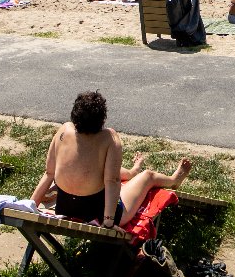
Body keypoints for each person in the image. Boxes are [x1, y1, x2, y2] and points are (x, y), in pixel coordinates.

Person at [29, 90, 192, 227]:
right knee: (148, 176)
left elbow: (49, 173)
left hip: (65, 208)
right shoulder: (109, 137)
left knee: (99, 168)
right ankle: (172, 180)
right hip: (98, 214)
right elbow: (112, 181)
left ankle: (132, 172)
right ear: (102, 118)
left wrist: (31, 205)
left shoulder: (63, 131)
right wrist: (108, 223)